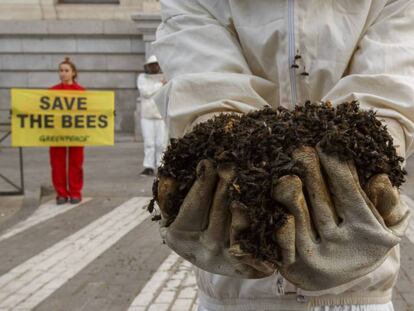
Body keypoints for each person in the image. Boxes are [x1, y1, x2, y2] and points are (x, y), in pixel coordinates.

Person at [152, 1, 414, 311]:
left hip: (356, 288)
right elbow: (205, 87)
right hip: (235, 290)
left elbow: (389, 90)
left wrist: (369, 160)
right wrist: (221, 149)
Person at [49, 57, 85, 205]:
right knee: (57, 164)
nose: (63, 73)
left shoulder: (82, 92)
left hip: (76, 134)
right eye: (61, 70)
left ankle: (75, 193)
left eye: (66, 70)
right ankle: (61, 194)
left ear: (73, 73)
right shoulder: (52, 92)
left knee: (76, 164)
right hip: (56, 134)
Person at [137, 55, 166, 176]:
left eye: (156, 64)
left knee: (161, 143)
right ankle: (148, 166)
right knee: (149, 142)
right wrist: (159, 85)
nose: (154, 67)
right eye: (152, 64)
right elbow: (145, 92)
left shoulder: (165, 77)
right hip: (147, 115)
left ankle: (161, 165)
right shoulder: (142, 78)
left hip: (160, 115)